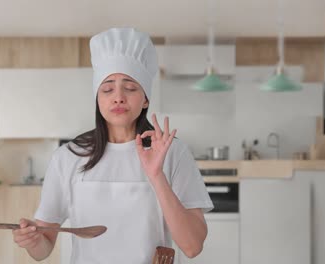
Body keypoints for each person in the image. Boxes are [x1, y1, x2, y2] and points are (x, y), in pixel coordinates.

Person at [11, 27, 214, 264]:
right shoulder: (69, 156)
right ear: (98, 97)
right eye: (107, 88)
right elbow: (43, 249)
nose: (118, 97)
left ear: (146, 97)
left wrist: (156, 175)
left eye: (130, 87)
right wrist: (34, 241)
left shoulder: (172, 152)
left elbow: (192, 247)